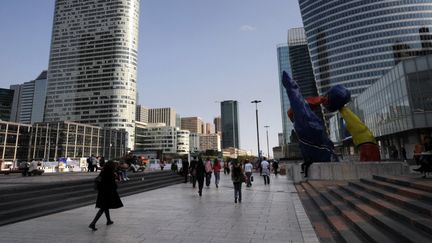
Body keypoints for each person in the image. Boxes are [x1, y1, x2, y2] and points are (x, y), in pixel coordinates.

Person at [89, 161, 123, 231]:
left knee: (105, 207)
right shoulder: (111, 173)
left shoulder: (103, 172)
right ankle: (93, 223)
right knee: (103, 208)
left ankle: (108, 220)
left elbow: (99, 180)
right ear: (112, 166)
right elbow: (113, 184)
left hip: (102, 192)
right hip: (108, 193)